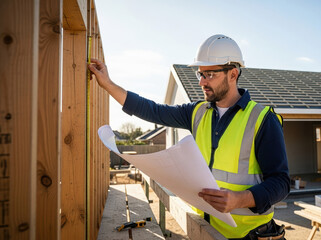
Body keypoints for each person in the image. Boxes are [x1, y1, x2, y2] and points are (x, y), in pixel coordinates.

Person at [89, 34, 290, 239]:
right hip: (205, 230)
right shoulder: (197, 112)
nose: (202, 81)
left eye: (210, 74)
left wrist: (240, 199)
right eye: (200, 74)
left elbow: (281, 182)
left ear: (233, 74)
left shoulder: (262, 119)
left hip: (249, 235)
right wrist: (109, 85)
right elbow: (154, 111)